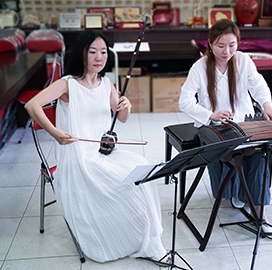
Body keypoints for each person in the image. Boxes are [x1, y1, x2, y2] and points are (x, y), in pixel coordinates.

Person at [25, 30, 168, 264]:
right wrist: (55, 133)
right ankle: (121, 238)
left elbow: (121, 118)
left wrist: (126, 105)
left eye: (103, 52)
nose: (99, 57)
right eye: (92, 52)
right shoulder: (67, 84)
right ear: (81, 53)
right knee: (125, 184)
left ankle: (146, 238)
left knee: (142, 171)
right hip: (78, 157)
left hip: (104, 152)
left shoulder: (107, 83)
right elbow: (32, 105)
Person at [179, 19, 272, 234]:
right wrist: (211, 114)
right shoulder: (200, 67)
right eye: (220, 46)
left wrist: (266, 104)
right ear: (210, 44)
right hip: (212, 126)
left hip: (243, 121)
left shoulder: (244, 61)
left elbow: (258, 85)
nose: (227, 51)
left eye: (232, 45)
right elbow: (185, 101)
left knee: (259, 152)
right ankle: (235, 192)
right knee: (233, 153)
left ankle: (259, 212)